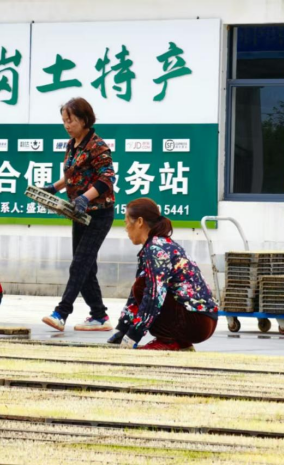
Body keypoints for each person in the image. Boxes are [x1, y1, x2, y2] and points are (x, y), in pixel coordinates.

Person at [41, 98, 116, 333]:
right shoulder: (72, 144)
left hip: (99, 214)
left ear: (84, 120)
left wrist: (85, 197)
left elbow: (107, 178)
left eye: (70, 120)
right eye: (64, 120)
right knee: (86, 267)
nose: (66, 125)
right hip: (79, 214)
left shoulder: (98, 145)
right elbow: (72, 175)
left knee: (79, 265)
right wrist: (54, 188)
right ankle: (99, 316)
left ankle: (61, 313)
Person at [107, 198, 218, 351]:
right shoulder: (160, 244)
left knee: (142, 287)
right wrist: (122, 328)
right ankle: (181, 343)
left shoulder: (156, 249)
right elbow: (136, 297)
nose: (126, 228)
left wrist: (133, 335)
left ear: (139, 222)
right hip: (204, 320)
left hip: (197, 323)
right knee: (141, 286)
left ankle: (166, 341)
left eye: (126, 222)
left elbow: (154, 295)